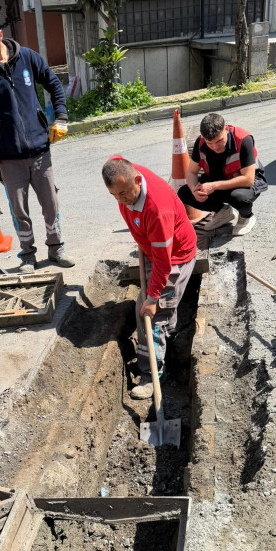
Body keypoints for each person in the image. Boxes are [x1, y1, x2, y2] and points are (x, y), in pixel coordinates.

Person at [0, 13, 74, 274]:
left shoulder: (27, 57)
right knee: (19, 210)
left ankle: (56, 247)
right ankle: (27, 255)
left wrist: (61, 117)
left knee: (51, 203)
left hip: (40, 150)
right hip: (8, 157)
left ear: (0, 35)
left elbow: (53, 84)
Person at [102, 156, 197, 400]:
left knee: (150, 315)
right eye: (114, 195)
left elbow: (164, 264)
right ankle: (168, 338)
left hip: (174, 257)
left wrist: (153, 299)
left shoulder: (158, 210)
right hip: (155, 249)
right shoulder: (123, 175)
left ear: (137, 179)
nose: (121, 200)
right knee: (158, 310)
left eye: (124, 193)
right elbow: (115, 161)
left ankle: (152, 374)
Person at [177, 112, 268, 236]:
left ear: (226, 129)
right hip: (219, 178)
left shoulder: (243, 139)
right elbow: (191, 172)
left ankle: (246, 216)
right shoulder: (200, 142)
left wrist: (213, 186)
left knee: (239, 197)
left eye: (219, 141)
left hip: (247, 181)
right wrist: (194, 190)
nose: (215, 147)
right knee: (184, 192)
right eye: (210, 143)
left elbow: (248, 179)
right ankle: (222, 212)